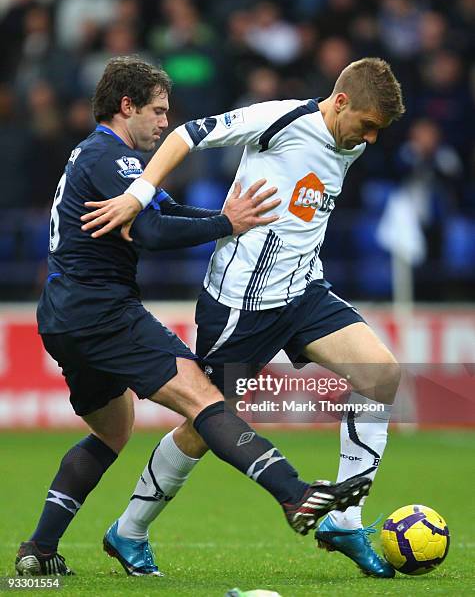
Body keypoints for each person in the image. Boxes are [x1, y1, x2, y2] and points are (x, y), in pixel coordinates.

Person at [15, 56, 370, 577]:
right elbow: (152, 233)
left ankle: (38, 551)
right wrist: (227, 223)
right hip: (103, 313)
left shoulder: (101, 158)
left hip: (64, 317)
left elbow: (167, 211)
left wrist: (230, 222)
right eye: (157, 112)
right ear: (125, 106)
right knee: (206, 397)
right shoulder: (111, 159)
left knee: (113, 431)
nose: (164, 123)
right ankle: (295, 494)